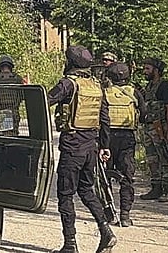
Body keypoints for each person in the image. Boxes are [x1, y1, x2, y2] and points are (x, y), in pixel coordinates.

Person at [48, 45, 116, 253]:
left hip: (72, 147)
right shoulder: (96, 86)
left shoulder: (68, 84)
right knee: (87, 190)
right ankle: (106, 232)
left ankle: (70, 245)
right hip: (91, 149)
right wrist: (104, 146)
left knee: (66, 194)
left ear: (70, 63)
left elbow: (45, 101)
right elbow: (105, 118)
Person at [104, 62, 144, 227]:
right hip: (127, 138)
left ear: (110, 77)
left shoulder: (105, 92)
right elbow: (144, 115)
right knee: (126, 177)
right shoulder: (134, 92)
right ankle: (125, 215)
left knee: (105, 177)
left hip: (107, 137)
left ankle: (108, 214)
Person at [138, 57, 168, 202]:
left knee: (165, 159)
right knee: (152, 159)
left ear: (156, 70)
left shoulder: (165, 86)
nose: (144, 72)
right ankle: (155, 188)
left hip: (161, 128)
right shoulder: (148, 87)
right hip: (149, 127)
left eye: (147, 69)